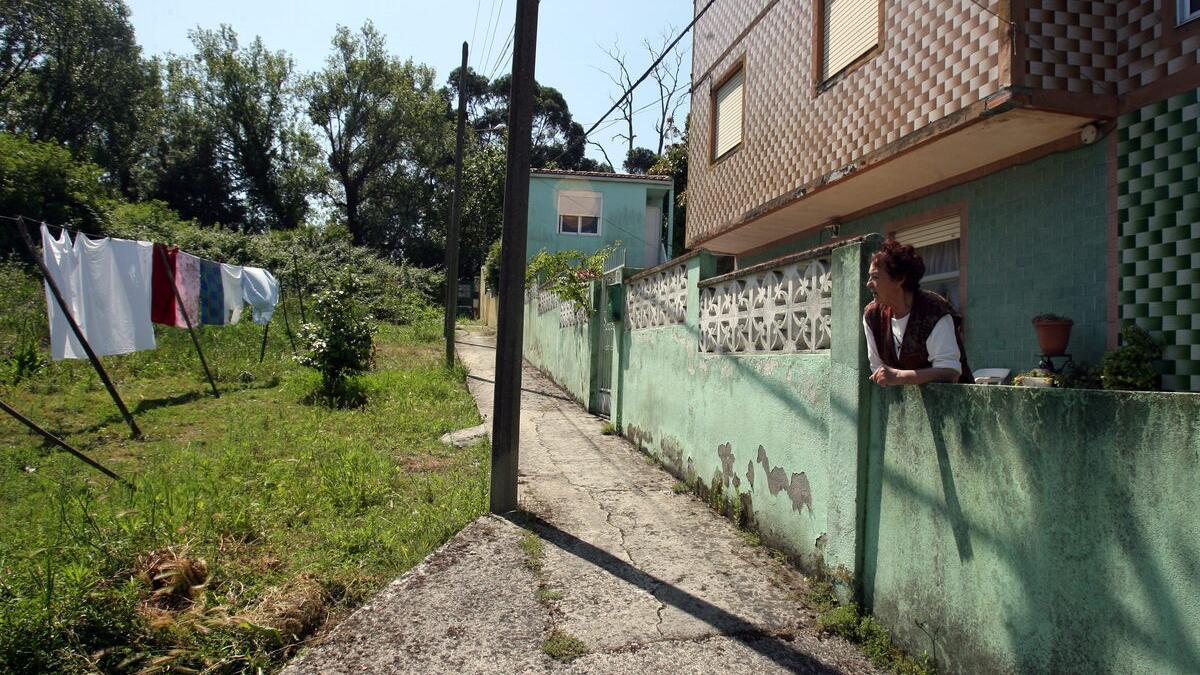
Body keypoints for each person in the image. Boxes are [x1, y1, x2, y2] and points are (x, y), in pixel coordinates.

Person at [863, 239, 972, 386]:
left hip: (954, 405)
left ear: (899, 278)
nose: (868, 283)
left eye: (875, 277)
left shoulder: (934, 311)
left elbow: (950, 371)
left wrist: (900, 376)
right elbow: (878, 369)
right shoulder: (872, 316)